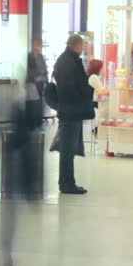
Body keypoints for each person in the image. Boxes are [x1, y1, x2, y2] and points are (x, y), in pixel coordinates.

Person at [51, 34, 95, 194]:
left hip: (70, 110)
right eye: (82, 46)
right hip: (71, 111)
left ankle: (69, 182)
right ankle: (66, 184)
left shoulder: (68, 59)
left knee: (68, 150)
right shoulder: (68, 61)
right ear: (77, 45)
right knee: (67, 150)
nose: (82, 49)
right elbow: (69, 88)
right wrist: (84, 94)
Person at [26, 38, 49, 123]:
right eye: (38, 44)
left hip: (40, 82)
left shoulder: (40, 56)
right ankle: (33, 120)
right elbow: (30, 70)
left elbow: (44, 69)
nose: (40, 46)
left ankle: (38, 119)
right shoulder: (30, 56)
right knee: (33, 101)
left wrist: (45, 79)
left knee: (39, 100)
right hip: (33, 82)